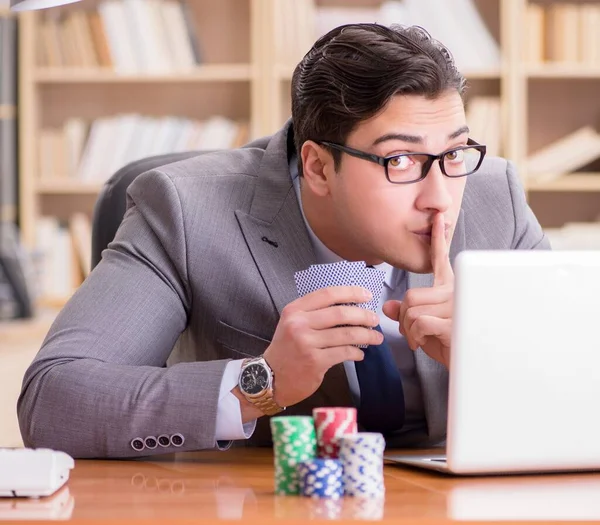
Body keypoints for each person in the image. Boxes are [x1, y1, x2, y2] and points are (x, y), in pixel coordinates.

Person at [17, 23, 549, 458]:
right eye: (400, 161)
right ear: (318, 165)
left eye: (454, 154)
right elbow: (54, 401)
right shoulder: (186, 209)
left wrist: (494, 358)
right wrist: (259, 382)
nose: (441, 197)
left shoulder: (492, 198)